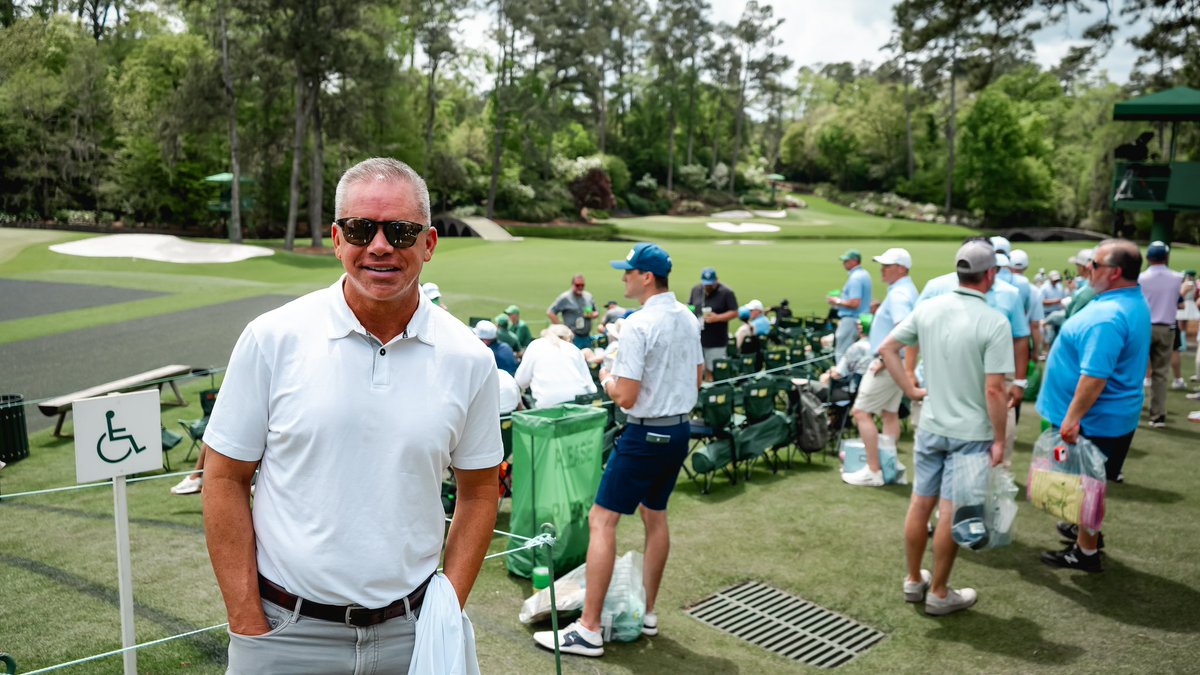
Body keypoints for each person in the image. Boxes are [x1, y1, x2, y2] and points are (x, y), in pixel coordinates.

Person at [200, 158, 501, 672]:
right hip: (285, 634)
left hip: (413, 634)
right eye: (362, 229)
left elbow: (479, 490)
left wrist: (445, 608)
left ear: (428, 244)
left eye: (401, 231)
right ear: (338, 238)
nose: (380, 246)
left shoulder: (470, 358)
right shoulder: (273, 338)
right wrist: (248, 619)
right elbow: (224, 477)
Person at [533, 242, 702, 657]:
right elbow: (698, 374)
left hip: (645, 435)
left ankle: (588, 629)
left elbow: (625, 397)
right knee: (655, 515)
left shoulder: (638, 324)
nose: (623, 277)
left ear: (647, 277)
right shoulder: (688, 316)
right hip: (678, 431)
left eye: (629, 271)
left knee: (602, 520)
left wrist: (606, 376)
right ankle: (648, 612)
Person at [878, 239, 1013, 616]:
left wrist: (911, 390)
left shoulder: (929, 308)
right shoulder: (994, 320)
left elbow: (887, 348)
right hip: (971, 434)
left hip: (932, 424)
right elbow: (994, 389)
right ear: (990, 274)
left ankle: (912, 580)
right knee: (951, 511)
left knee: (921, 502)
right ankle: (938, 591)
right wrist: (1000, 440)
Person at [1037, 239, 1150, 572]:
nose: (1087, 271)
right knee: (1091, 485)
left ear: (1114, 273)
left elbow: (1094, 377)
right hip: (1111, 417)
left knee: (1087, 487)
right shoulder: (1129, 300)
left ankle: (1085, 552)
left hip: (1095, 421)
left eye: (1094, 265)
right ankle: (1085, 534)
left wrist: (1072, 419)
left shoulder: (1108, 315)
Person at [918, 244, 1029, 465]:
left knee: (994, 444)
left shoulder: (1010, 294)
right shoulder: (938, 286)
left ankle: (995, 478)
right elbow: (915, 326)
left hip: (996, 370)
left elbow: (1020, 338)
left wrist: (1019, 380)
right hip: (949, 371)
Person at [844, 248, 918, 487]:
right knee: (889, 414)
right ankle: (889, 464)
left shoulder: (898, 295)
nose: (882, 269)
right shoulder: (904, 289)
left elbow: (903, 330)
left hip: (888, 362)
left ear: (902, 268)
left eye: (888, 265)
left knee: (861, 412)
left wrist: (886, 360)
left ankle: (873, 470)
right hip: (896, 361)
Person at [1139, 240, 1184, 428]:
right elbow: (1179, 302)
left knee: (1136, 371)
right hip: (1166, 328)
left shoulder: (1140, 278)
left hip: (1144, 327)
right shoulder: (1177, 278)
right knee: (1160, 374)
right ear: (1166, 257)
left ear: (1148, 258)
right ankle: (1157, 415)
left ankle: (1131, 412)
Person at [513, 324, 596, 407]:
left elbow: (520, 381)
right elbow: (590, 386)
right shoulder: (573, 348)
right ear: (565, 337)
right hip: (580, 402)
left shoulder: (535, 346)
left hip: (549, 404)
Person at [687, 267, 739, 377]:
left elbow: (735, 312)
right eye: (706, 284)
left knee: (714, 370)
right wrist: (690, 310)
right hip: (697, 339)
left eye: (711, 284)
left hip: (716, 340)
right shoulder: (696, 290)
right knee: (696, 370)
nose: (708, 287)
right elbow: (691, 306)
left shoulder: (726, 293)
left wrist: (718, 317)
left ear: (717, 280)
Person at [829, 249, 872, 360]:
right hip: (862, 319)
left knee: (842, 352)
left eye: (846, 261)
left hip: (851, 319)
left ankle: (841, 376)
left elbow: (855, 303)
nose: (844, 263)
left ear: (854, 261)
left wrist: (837, 301)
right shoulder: (864, 274)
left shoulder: (855, 278)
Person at [1009, 249, 1046, 361]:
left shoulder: (999, 286)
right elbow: (1035, 325)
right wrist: (1036, 351)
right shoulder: (1035, 291)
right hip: (1022, 342)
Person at [548, 274, 599, 349]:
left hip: (587, 336)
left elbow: (596, 312)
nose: (580, 287)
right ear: (572, 285)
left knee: (589, 358)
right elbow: (550, 312)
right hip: (572, 337)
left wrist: (592, 315)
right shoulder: (565, 298)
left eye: (582, 285)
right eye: (577, 285)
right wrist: (562, 328)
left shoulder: (588, 296)